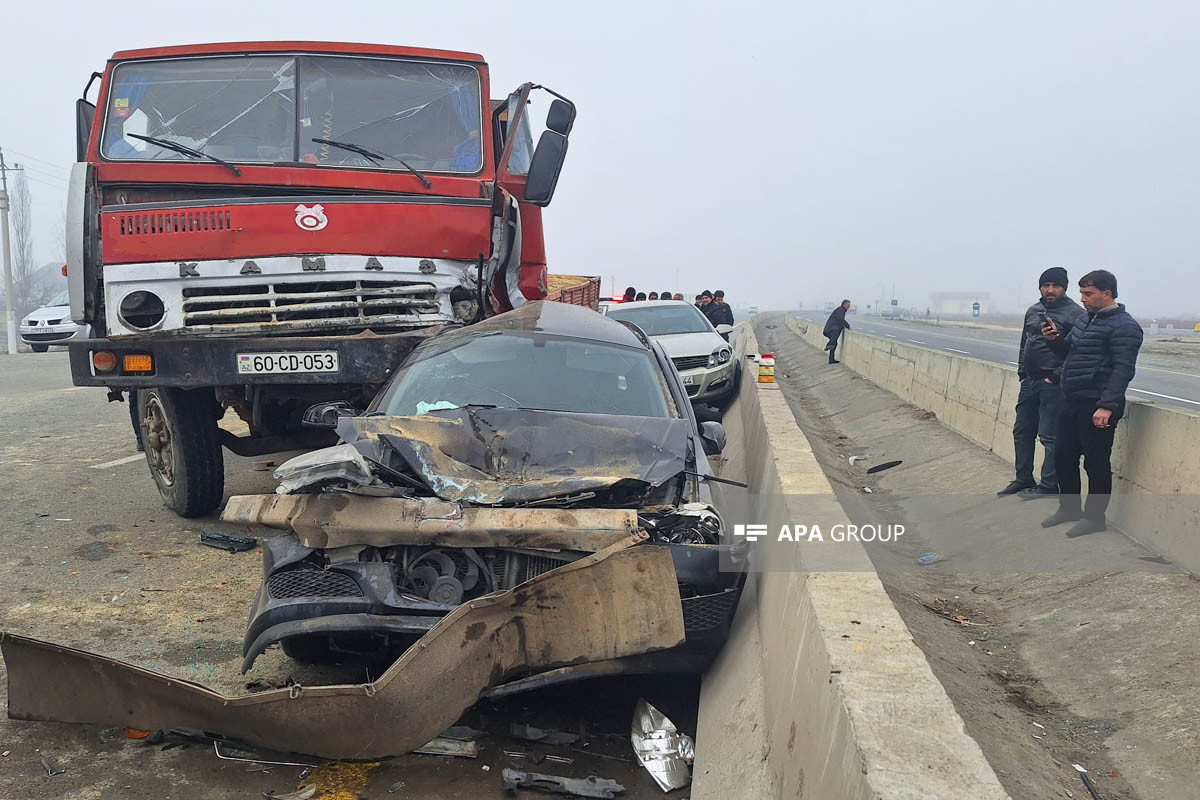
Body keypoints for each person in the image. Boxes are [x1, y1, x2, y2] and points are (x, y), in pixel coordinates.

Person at [1039, 270, 1142, 537]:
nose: (1082, 299)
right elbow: (1068, 354)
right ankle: (1069, 508)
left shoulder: (1125, 327)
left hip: (1098, 404)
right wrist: (1054, 341)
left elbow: (1123, 370)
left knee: (1095, 463)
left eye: (1088, 294)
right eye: (1082, 293)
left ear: (1106, 294)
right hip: (1072, 400)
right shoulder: (1084, 320)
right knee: (1063, 456)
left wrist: (1107, 405)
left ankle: (1095, 518)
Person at [997, 267, 1087, 498]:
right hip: (1030, 381)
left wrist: (1055, 375)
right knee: (1022, 431)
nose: (1050, 290)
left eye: (1055, 285)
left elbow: (1076, 352)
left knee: (1049, 436)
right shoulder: (1033, 310)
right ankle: (1023, 478)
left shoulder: (1075, 314)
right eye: (1045, 285)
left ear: (1064, 288)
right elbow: (1024, 343)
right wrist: (1022, 372)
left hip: (1054, 385)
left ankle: (1048, 485)